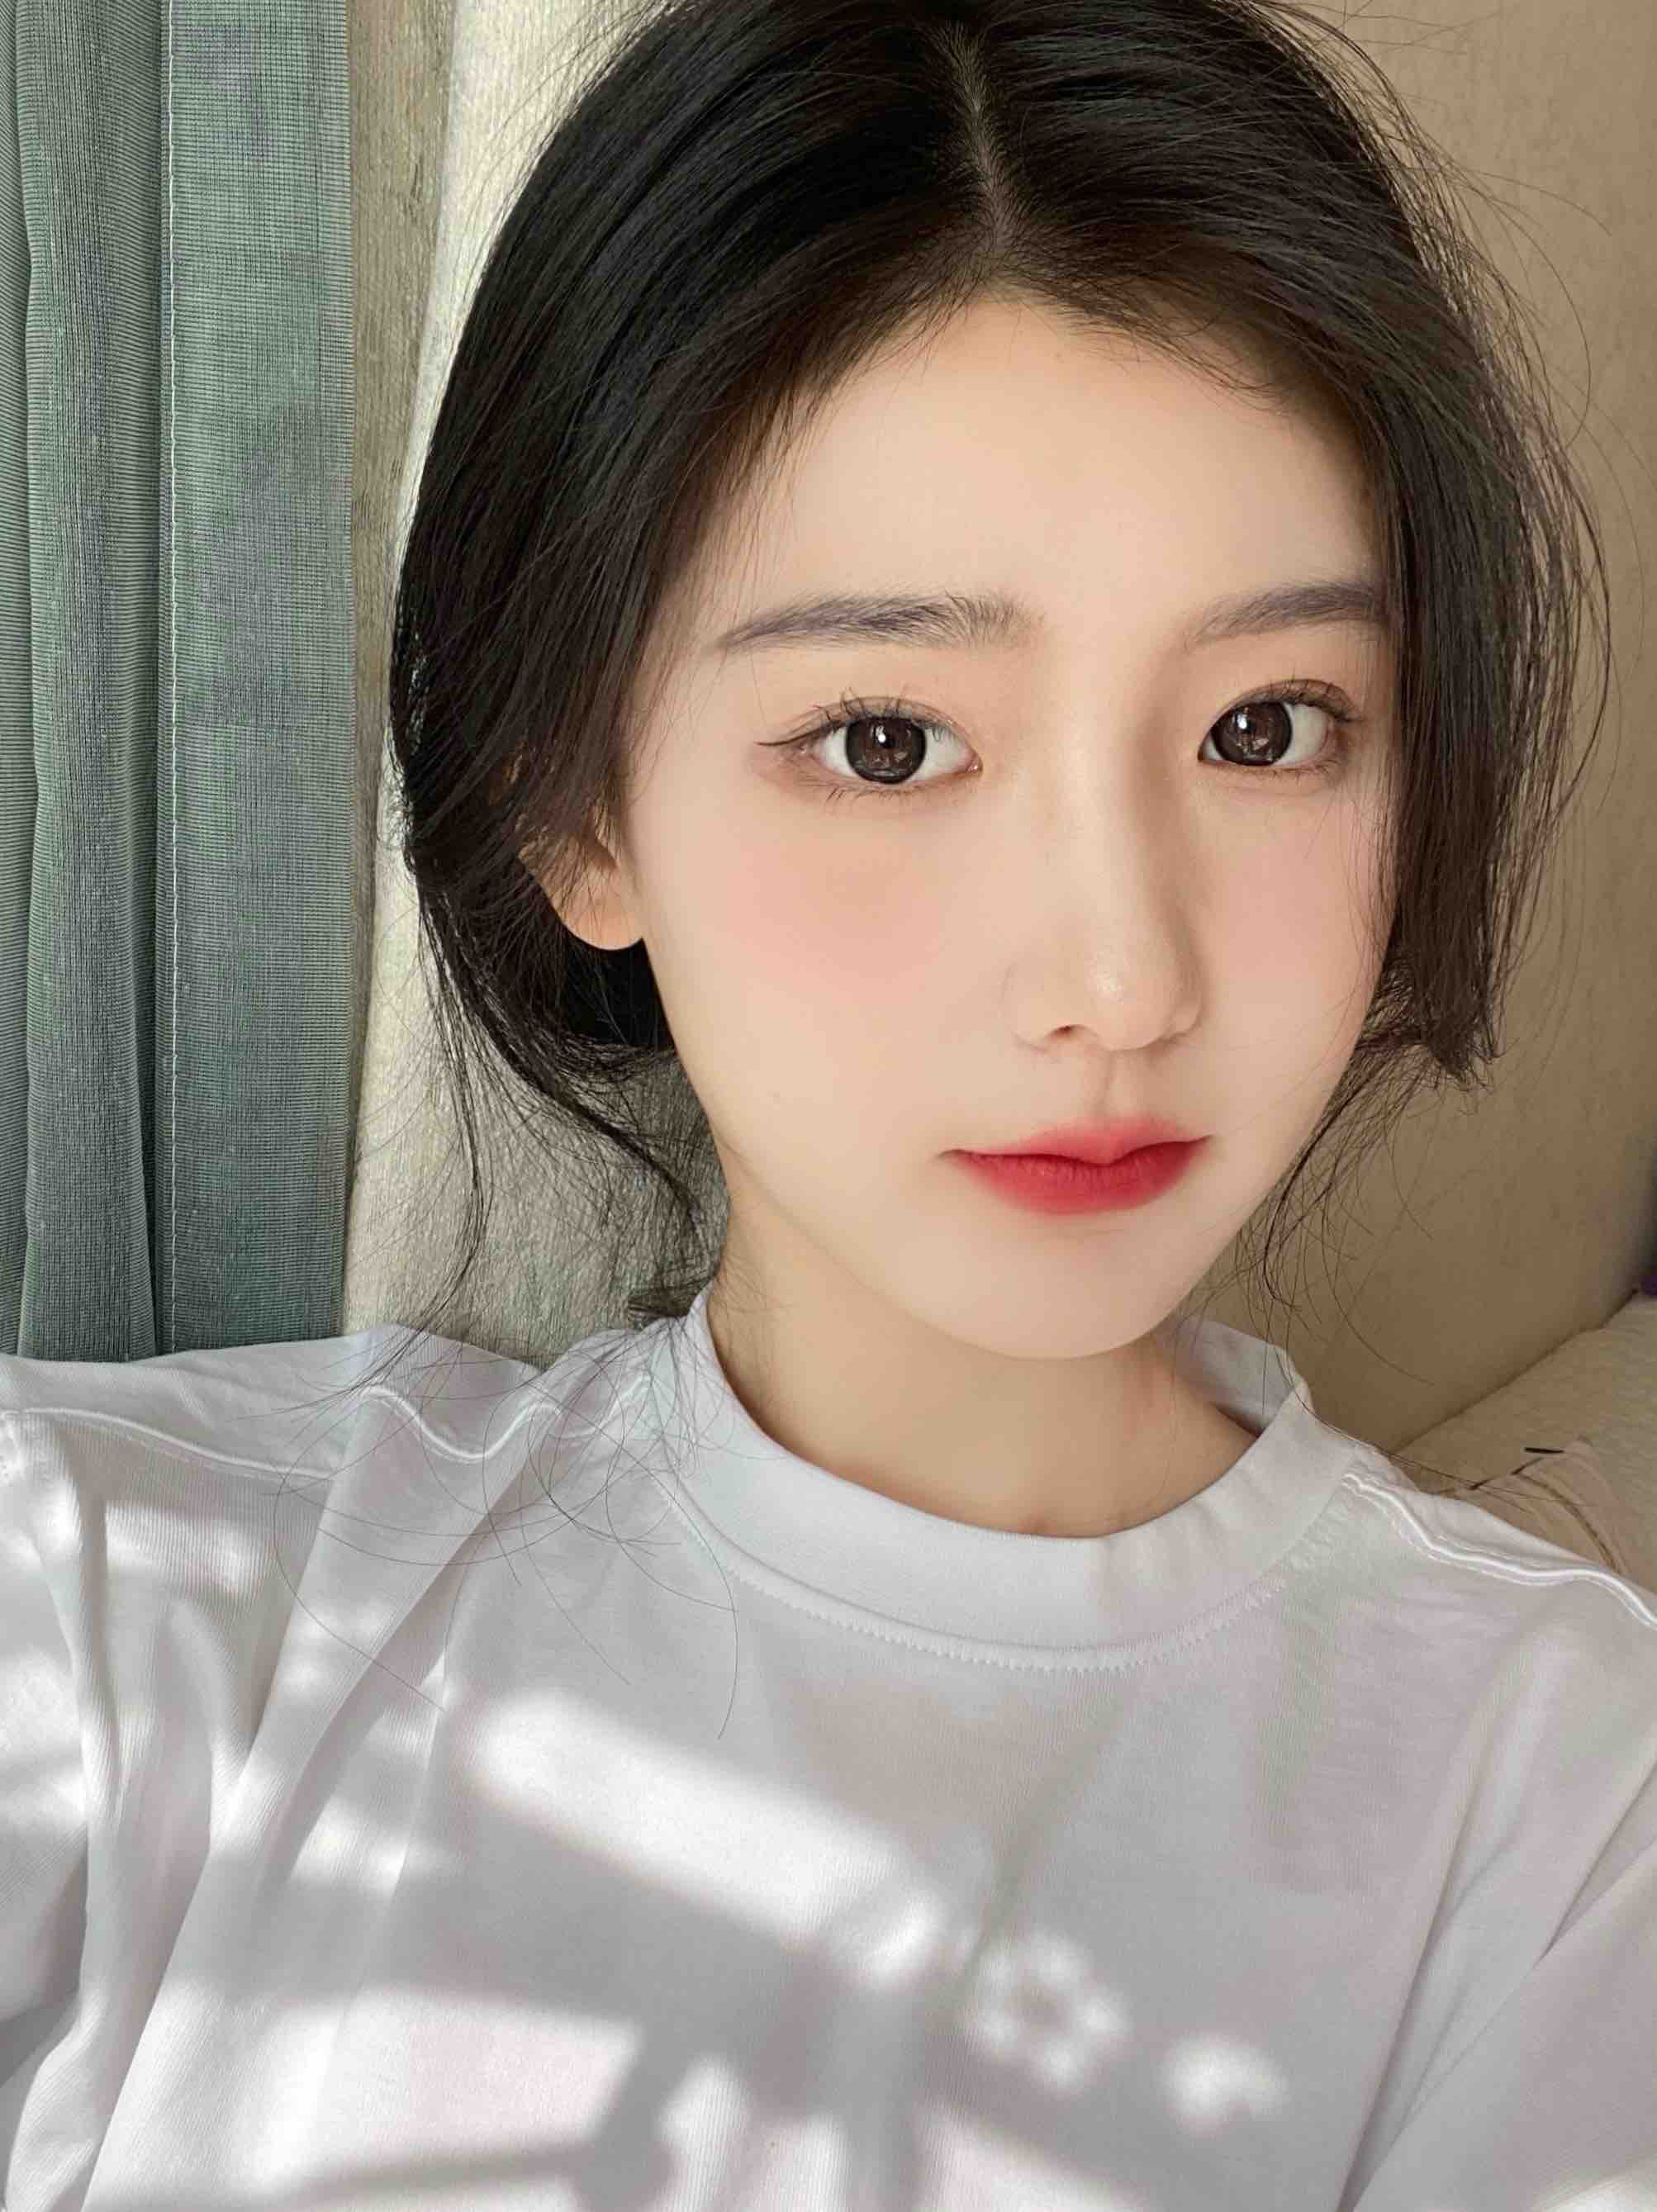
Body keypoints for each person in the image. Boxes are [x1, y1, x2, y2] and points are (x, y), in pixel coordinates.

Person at [3, 2, 1650, 2207]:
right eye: (890, 741)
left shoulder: (1562, 1801)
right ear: (576, 806)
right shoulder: (126, 1600)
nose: (1120, 979)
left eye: (1264, 728)